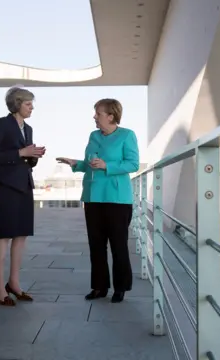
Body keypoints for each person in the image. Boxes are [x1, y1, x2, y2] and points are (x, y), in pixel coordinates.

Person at [57, 98, 139, 303]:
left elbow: (133, 164)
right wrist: (76, 163)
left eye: (98, 113)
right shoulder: (93, 136)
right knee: (96, 244)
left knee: (118, 244)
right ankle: (99, 287)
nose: (95, 117)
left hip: (117, 199)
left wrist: (107, 165)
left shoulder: (127, 135)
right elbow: (90, 164)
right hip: (93, 197)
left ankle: (121, 288)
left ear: (111, 116)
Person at [0, 87, 45, 306]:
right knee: (4, 235)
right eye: (28, 104)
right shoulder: (1, 123)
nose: (32, 108)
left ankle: (14, 283)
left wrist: (34, 156)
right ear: (17, 103)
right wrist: (22, 153)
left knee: (21, 234)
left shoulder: (28, 128)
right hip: (6, 184)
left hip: (24, 184)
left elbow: (26, 159)